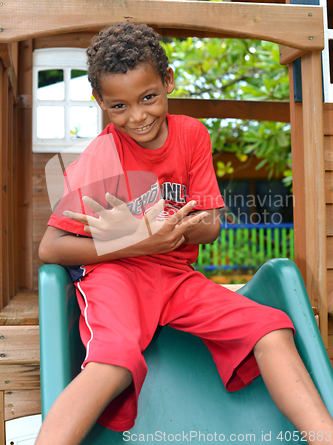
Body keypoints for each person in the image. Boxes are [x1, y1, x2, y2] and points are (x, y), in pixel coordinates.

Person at [36, 23, 333, 445]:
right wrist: (139, 241)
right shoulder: (102, 158)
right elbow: (52, 247)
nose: (137, 116)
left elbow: (210, 224)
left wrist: (175, 234)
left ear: (168, 81)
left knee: (271, 325)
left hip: (175, 278)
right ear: (100, 102)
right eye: (118, 106)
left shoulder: (192, 135)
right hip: (116, 276)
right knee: (116, 358)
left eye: (148, 98)